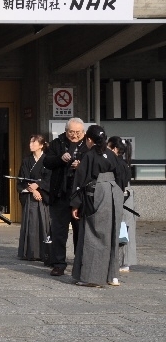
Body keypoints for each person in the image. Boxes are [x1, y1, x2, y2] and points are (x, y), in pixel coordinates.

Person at [70, 124, 124, 287]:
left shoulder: (89, 155)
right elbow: (120, 174)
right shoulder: (111, 154)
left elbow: (81, 180)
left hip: (98, 191)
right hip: (114, 192)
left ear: (89, 139)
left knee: (94, 232)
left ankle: (92, 277)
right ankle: (112, 275)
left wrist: (75, 203)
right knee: (112, 232)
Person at [43, 118, 85, 276]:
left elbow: (93, 164)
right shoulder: (57, 142)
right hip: (60, 193)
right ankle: (59, 263)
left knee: (80, 230)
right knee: (59, 231)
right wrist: (60, 159)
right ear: (66, 131)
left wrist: (81, 165)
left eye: (78, 133)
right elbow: (46, 162)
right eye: (71, 132)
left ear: (83, 132)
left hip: (79, 195)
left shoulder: (88, 144)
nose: (74, 135)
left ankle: (80, 262)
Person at [17, 134, 52, 262]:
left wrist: (39, 186)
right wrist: (33, 190)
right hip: (31, 197)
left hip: (43, 196)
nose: (31, 144)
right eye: (30, 142)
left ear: (41, 145)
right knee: (31, 224)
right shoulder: (27, 161)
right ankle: (30, 252)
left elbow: (50, 178)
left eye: (34, 142)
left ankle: (45, 252)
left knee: (44, 224)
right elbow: (23, 178)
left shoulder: (48, 159)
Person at [108, 136, 137, 272]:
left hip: (123, 197)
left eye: (108, 146)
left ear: (114, 148)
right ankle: (123, 262)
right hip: (125, 196)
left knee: (123, 229)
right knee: (124, 229)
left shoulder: (117, 163)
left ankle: (124, 262)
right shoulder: (123, 162)